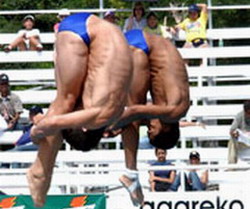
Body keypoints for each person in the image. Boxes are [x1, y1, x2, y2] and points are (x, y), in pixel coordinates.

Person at [27, 12, 132, 207]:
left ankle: (41, 177)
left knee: (70, 99)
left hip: (102, 28)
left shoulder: (116, 113)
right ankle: (38, 175)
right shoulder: (96, 117)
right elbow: (51, 122)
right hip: (80, 32)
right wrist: (34, 134)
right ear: (84, 127)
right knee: (65, 102)